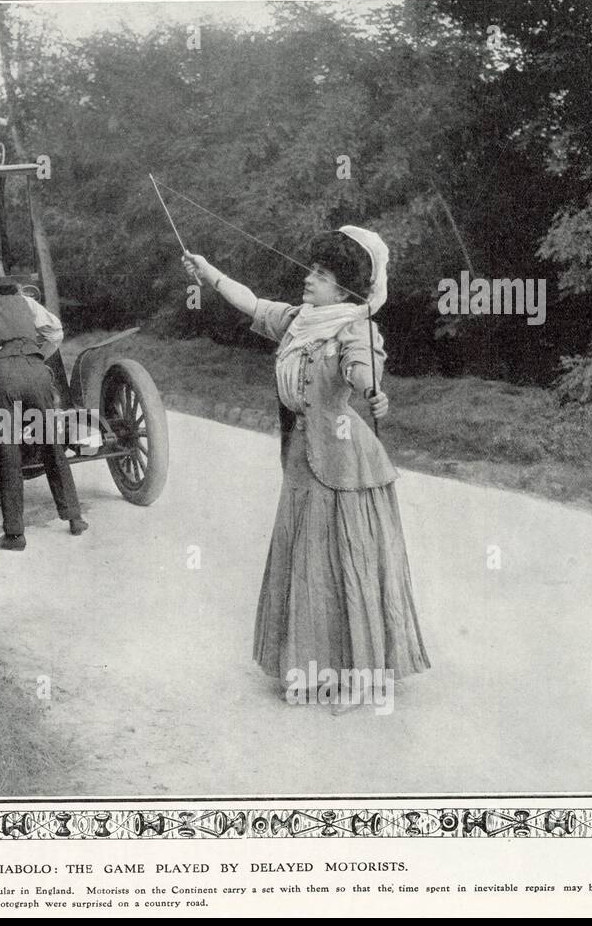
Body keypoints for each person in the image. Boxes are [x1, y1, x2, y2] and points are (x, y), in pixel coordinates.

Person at [183, 226, 429, 711]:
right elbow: (250, 302)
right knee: (308, 565)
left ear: (346, 290)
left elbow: (363, 370)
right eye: (312, 270)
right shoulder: (299, 321)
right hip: (301, 457)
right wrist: (206, 270)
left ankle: (361, 679)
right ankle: (314, 673)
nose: (309, 279)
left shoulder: (356, 326)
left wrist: (374, 392)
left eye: (321, 274)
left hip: (345, 463)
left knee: (347, 564)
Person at [0, 277, 87, 550]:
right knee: (52, 445)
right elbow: (55, 332)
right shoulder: (24, 301)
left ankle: (14, 535)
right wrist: (38, 355)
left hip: (2, 379)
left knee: (7, 451)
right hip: (37, 375)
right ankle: (74, 518)